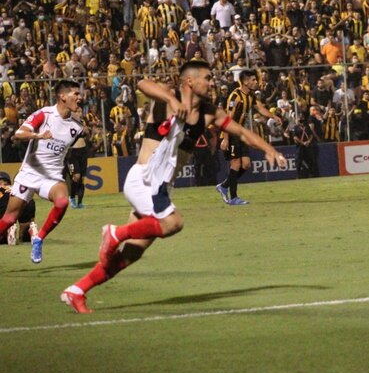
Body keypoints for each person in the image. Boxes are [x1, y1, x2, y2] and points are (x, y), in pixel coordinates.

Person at [60, 61, 287, 313]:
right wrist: (172, 98)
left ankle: (77, 290)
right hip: (145, 179)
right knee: (173, 223)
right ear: (190, 81)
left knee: (133, 253)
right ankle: (115, 233)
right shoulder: (167, 100)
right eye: (208, 78)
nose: (213, 83)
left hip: (161, 188)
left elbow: (242, 133)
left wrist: (269, 149)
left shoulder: (210, 113)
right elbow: (143, 84)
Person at [0, 80, 84, 262]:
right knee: (9, 218)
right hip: (29, 173)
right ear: (62, 96)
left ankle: (38, 239)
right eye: (75, 94)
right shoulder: (44, 114)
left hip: (52, 176)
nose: (80, 97)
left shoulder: (77, 127)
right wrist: (39, 135)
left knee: (62, 202)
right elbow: (19, 134)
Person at [216, 69, 281, 205]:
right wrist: (225, 139)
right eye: (252, 80)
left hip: (240, 133)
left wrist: (273, 116)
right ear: (245, 82)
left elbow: (261, 108)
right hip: (231, 132)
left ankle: (224, 185)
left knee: (246, 164)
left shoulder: (250, 96)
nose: (255, 82)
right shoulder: (235, 96)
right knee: (236, 164)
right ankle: (233, 198)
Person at [0, 171, 37, 245]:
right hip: (26, 200)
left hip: (3, 202)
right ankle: (29, 230)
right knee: (25, 224)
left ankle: (7, 232)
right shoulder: (14, 188)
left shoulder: (1, 190)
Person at [66, 107, 90, 208]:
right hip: (73, 152)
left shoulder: (82, 122)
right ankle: (72, 198)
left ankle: (80, 202)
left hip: (83, 151)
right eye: (77, 112)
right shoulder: (69, 123)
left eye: (80, 112)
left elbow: (88, 134)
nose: (79, 113)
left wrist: (85, 128)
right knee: (76, 176)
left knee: (82, 178)